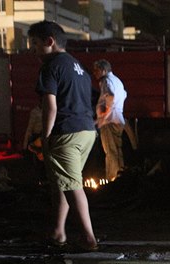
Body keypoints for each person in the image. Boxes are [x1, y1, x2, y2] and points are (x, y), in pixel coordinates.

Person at [28, 20, 98, 251]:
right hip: (86, 130)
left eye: (35, 43)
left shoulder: (50, 66)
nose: (33, 49)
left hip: (65, 132)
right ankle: (59, 232)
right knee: (62, 182)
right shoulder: (78, 66)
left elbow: (51, 106)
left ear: (50, 42)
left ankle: (89, 238)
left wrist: (45, 136)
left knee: (71, 185)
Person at [92, 59, 137, 181]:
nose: (94, 73)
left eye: (96, 70)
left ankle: (112, 179)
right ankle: (120, 178)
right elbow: (124, 94)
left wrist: (101, 117)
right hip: (118, 119)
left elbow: (110, 96)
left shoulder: (106, 80)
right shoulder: (117, 80)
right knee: (117, 150)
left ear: (104, 70)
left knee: (110, 152)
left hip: (109, 121)